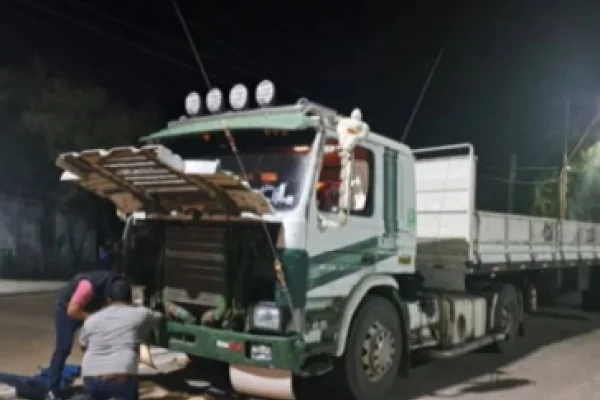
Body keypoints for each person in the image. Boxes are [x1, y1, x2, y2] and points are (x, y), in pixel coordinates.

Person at [78, 277, 166, 400]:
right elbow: (160, 317)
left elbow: (83, 345)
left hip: (91, 379)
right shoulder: (139, 314)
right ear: (130, 298)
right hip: (121, 378)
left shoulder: (92, 319)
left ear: (108, 299)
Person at [46, 269, 117, 400]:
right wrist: (93, 318)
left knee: (99, 346)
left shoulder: (115, 284)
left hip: (89, 308)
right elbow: (72, 311)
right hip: (67, 309)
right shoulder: (88, 286)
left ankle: (99, 385)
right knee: (63, 348)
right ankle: (52, 389)